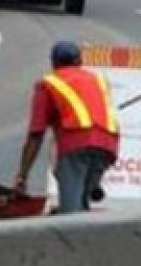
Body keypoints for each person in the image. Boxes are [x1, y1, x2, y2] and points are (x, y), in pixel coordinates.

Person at [15, 41, 120, 213]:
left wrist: (22, 175)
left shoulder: (48, 84)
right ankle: (89, 193)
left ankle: (72, 219)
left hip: (77, 144)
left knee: (70, 212)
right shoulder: (97, 79)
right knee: (81, 201)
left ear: (54, 63)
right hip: (108, 145)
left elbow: (36, 134)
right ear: (79, 61)